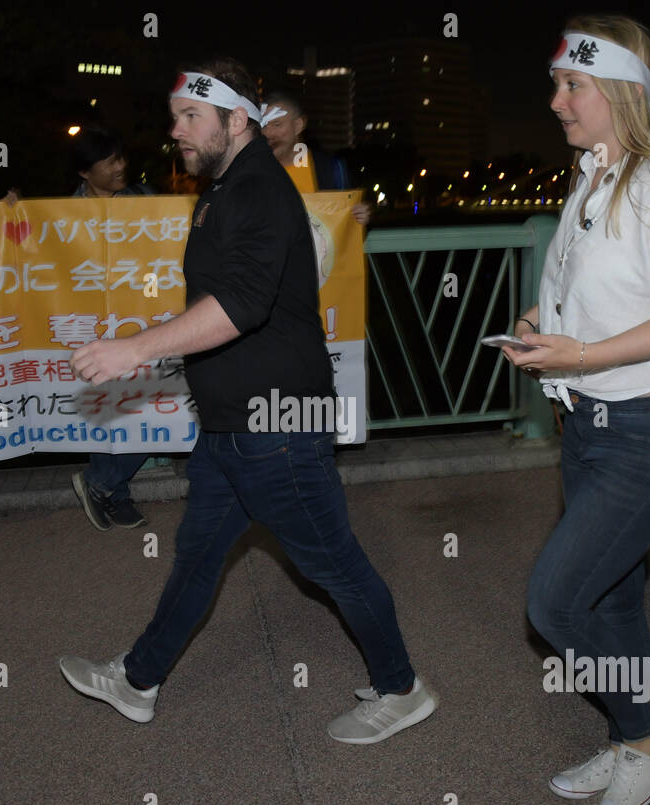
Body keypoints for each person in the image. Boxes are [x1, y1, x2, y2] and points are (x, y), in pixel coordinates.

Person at [59, 58, 436, 744]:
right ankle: (139, 680)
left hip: (277, 424)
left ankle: (401, 688)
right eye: (175, 116)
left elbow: (240, 305)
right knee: (199, 553)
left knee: (332, 562)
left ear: (237, 120)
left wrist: (135, 349)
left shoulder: (257, 187)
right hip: (233, 424)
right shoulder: (225, 186)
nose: (175, 130)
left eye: (190, 117)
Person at [502, 16, 650, 805]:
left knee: (553, 604)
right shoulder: (591, 176)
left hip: (648, 427)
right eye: (557, 83)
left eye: (573, 86)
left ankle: (644, 738)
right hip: (588, 423)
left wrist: (583, 358)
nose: (556, 100)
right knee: (612, 601)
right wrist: (540, 323)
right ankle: (623, 738)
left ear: (621, 93)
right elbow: (590, 289)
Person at [4, 127, 155, 530]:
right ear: (86, 173)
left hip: (141, 321)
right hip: (91, 329)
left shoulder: (145, 198)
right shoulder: (62, 213)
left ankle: (102, 481)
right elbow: (26, 248)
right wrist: (10, 214)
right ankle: (114, 492)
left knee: (152, 401)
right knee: (110, 407)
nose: (121, 166)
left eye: (121, 157)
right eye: (109, 162)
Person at [261, 90, 371, 225]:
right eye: (263, 125)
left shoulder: (330, 169)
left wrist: (361, 217)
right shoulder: (253, 172)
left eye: (277, 124)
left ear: (298, 126)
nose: (268, 133)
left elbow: (346, 228)